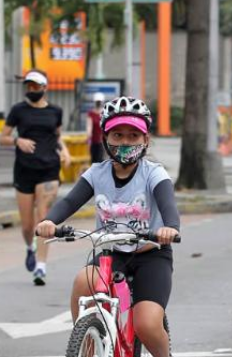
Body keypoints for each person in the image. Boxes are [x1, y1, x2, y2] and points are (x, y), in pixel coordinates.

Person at [36, 97, 178, 357]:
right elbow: (70, 201)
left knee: (146, 323)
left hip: (151, 255)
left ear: (145, 140)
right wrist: (49, 221)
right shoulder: (96, 173)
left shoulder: (154, 174)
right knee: (82, 281)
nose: (125, 142)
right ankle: (86, 342)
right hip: (110, 254)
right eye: (118, 134)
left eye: (134, 135)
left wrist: (170, 227)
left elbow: (168, 205)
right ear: (105, 138)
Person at [0, 70, 71, 285]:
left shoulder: (55, 111)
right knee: (27, 226)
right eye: (28, 86)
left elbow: (57, 136)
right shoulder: (18, 110)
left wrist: (64, 150)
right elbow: (2, 137)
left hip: (49, 168)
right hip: (24, 169)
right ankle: (29, 248)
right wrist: (17, 141)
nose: (31, 90)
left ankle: (41, 266)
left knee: (44, 218)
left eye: (35, 86)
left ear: (44, 88)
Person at [87, 93, 106, 163]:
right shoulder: (91, 114)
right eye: (97, 102)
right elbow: (89, 126)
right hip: (93, 141)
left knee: (100, 160)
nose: (98, 103)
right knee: (93, 161)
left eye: (99, 102)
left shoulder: (104, 113)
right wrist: (88, 138)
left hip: (102, 142)